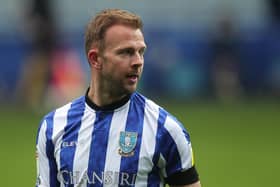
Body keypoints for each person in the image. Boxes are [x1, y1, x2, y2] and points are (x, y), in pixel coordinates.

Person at [35, 9, 201, 187]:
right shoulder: (53, 127)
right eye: (126, 52)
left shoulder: (165, 129)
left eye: (141, 52)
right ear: (95, 59)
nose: (138, 61)